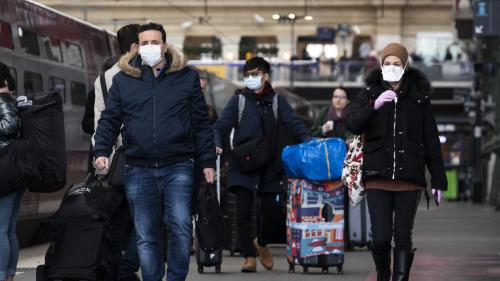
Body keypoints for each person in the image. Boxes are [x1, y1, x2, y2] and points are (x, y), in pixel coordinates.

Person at [93, 22, 216, 281]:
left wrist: (207, 161)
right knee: (146, 234)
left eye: (155, 42)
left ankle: (175, 278)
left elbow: (201, 123)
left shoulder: (186, 77)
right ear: (137, 47)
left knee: (181, 227)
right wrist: (101, 150)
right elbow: (109, 119)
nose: (150, 47)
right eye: (145, 43)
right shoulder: (124, 80)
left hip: (179, 164)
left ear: (165, 44)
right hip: (138, 167)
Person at [346, 43, 447, 281]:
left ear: (405, 66)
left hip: (409, 178)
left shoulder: (419, 99)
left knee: (403, 235)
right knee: (380, 236)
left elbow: (431, 139)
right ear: (381, 66)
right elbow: (352, 124)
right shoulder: (369, 93)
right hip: (377, 177)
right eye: (387, 63)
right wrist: (374, 106)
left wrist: (438, 180)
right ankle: (383, 273)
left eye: (396, 64)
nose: (391, 68)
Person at [213, 57, 311, 272]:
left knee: (273, 212)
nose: (250, 78)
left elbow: (293, 122)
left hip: (269, 164)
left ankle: (263, 243)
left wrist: (307, 140)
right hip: (243, 163)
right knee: (243, 211)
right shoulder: (238, 101)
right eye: (247, 74)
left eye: (255, 74)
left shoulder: (277, 101)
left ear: (266, 76)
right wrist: (218, 144)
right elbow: (221, 126)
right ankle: (249, 256)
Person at [92, 24, 141, 281]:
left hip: (113, 165)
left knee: (115, 222)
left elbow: (99, 124)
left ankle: (115, 269)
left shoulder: (101, 80)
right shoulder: (142, 77)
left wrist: (102, 163)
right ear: (135, 47)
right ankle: (127, 269)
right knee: (144, 222)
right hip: (140, 160)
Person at [0, 64, 39, 281]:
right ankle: (9, 275)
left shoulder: (2, 100)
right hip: (13, 171)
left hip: (4, 171)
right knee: (7, 229)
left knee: (1, 230)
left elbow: (9, 126)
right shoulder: (12, 100)